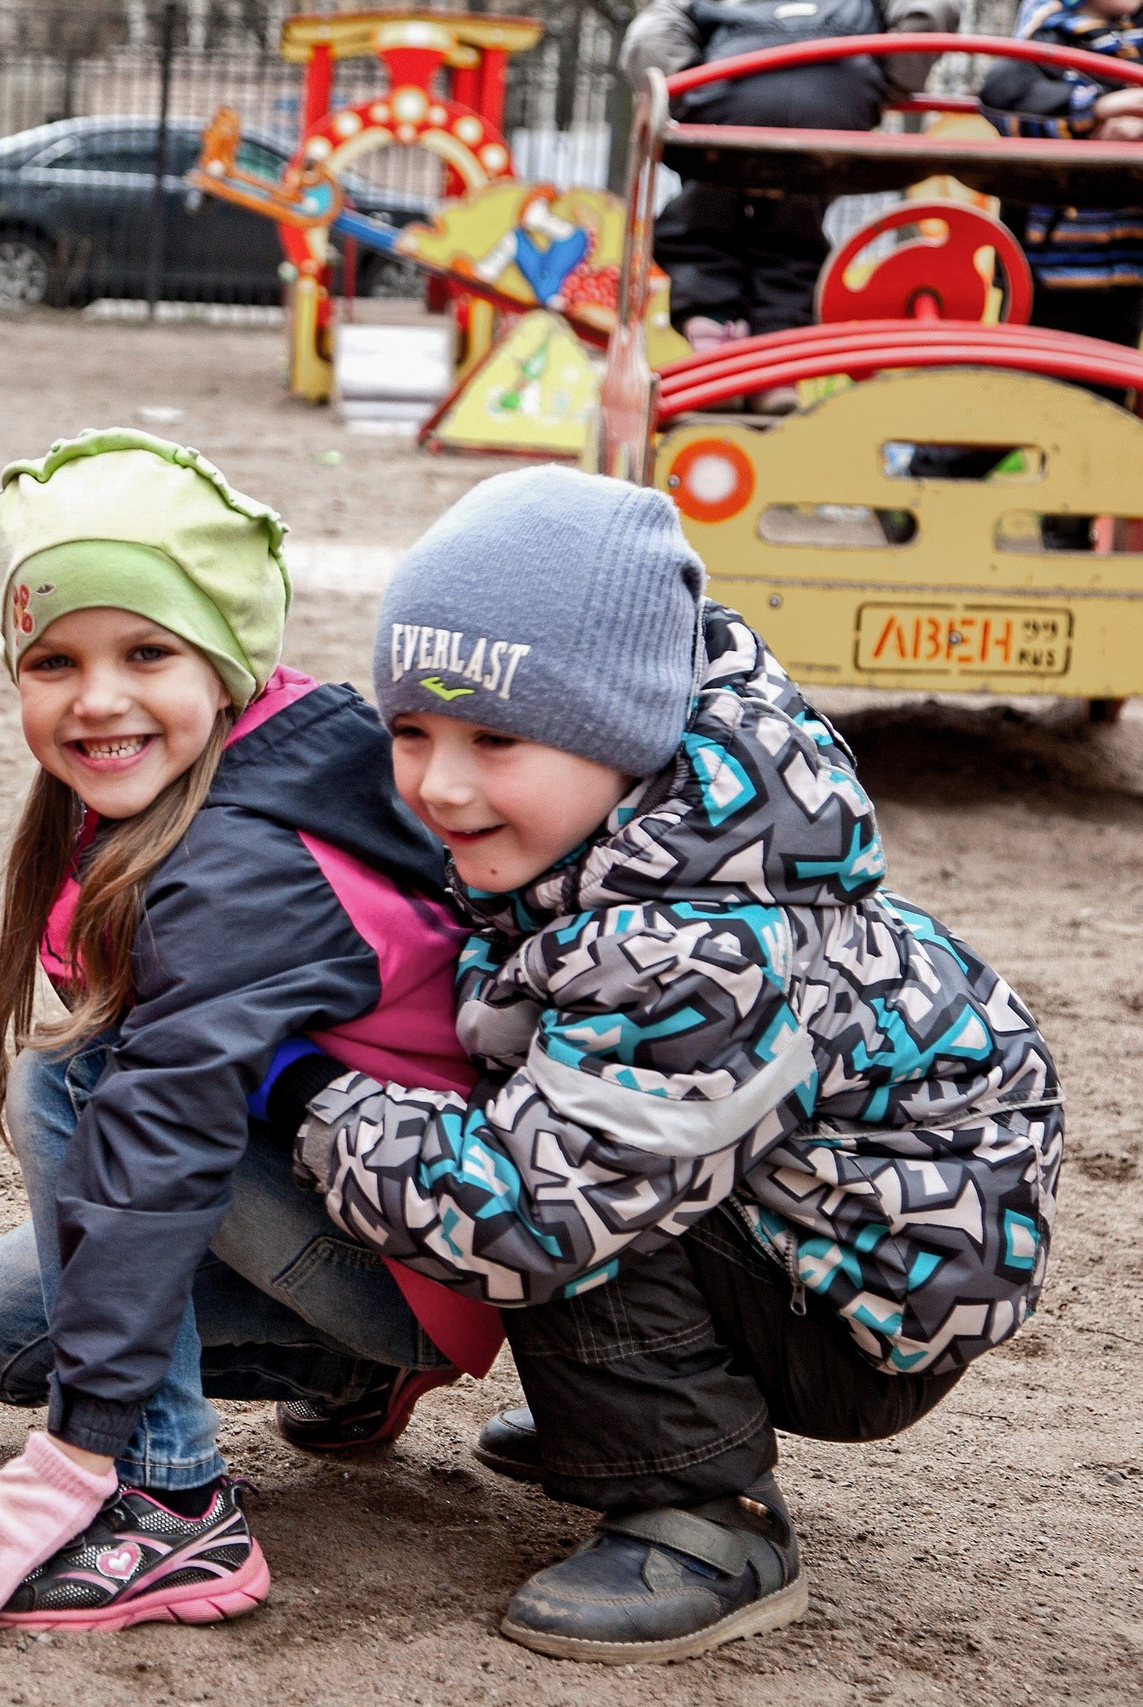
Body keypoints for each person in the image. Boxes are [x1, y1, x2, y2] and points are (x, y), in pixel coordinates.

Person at [268, 466, 1061, 1663]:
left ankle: (703, 1511)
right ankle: (613, 1407)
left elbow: (537, 1211)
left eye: (495, 737)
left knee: (556, 1184)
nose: (439, 783)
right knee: (551, 1102)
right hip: (797, 1214)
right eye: (410, 731)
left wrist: (303, 1098)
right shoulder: (624, 827)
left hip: (861, 1308)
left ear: (623, 731)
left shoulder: (694, 942)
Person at [0, 432, 500, 1636]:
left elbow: (158, 1133)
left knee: (73, 1076)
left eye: (147, 651)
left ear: (225, 660)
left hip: (425, 1242)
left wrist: (81, 1455)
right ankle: (357, 1375)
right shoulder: (234, 756)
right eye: (53, 660)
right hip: (371, 1213)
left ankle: (174, 1509)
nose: (96, 697)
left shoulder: (241, 862)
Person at [624, 0, 961, 384]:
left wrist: (686, 91)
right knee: (796, 217)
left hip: (730, 89)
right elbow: (928, 10)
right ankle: (777, 362)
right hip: (837, 91)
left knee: (705, 207)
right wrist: (885, 83)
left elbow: (652, 31)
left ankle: (714, 335)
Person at [981, 0, 1143, 374]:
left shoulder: (1134, 41)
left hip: (1129, 266)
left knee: (1111, 384)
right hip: (1048, 269)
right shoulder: (1047, 39)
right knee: (1034, 382)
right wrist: (1099, 108)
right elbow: (1002, 97)